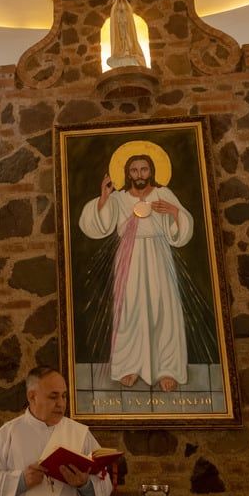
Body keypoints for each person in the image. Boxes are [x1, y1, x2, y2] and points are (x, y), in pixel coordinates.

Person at [78, 146, 193, 391]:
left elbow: (184, 224)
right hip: (129, 257)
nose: (139, 174)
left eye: (143, 169)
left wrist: (173, 212)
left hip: (158, 255)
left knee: (164, 310)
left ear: (151, 171)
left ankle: (167, 369)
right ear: (128, 174)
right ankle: (128, 365)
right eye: (134, 170)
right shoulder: (119, 198)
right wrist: (104, 198)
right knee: (130, 311)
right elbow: (98, 225)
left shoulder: (164, 193)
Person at [0, 367, 112, 496]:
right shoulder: (8, 433)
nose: (61, 404)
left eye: (64, 396)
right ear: (32, 397)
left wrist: (84, 484)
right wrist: (20, 481)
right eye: (53, 397)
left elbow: (103, 482)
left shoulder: (81, 434)